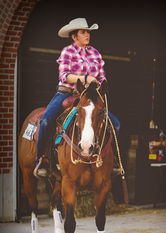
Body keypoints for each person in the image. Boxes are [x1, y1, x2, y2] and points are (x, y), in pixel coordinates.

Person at [33, 18, 120, 178]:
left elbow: (101, 76)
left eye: (88, 32)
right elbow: (64, 75)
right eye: (83, 32)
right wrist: (85, 78)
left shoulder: (95, 53)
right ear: (74, 37)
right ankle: (41, 160)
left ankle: (112, 161)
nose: (87, 34)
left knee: (115, 124)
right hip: (66, 92)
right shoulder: (68, 52)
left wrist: (101, 85)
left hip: (89, 95)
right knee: (46, 120)